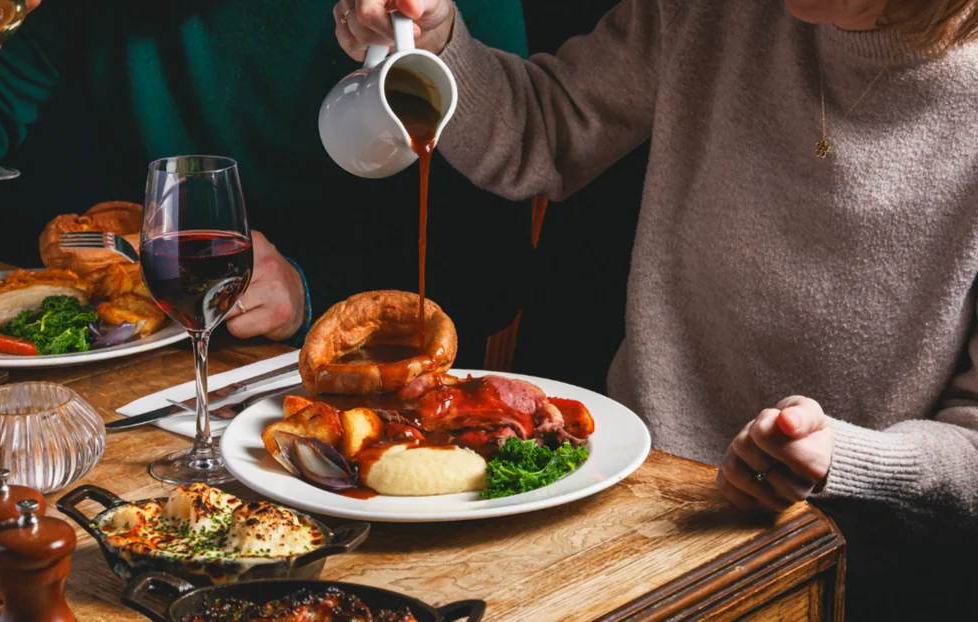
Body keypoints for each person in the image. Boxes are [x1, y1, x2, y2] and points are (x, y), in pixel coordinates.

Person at [337, 0, 978, 617]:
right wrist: (442, 39)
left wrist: (846, 459)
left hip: (851, 561)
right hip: (634, 507)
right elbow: (543, 130)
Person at [0, 0, 532, 358]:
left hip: (360, 371)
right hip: (160, 373)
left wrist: (309, 292)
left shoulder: (434, 10)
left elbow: (491, 276)